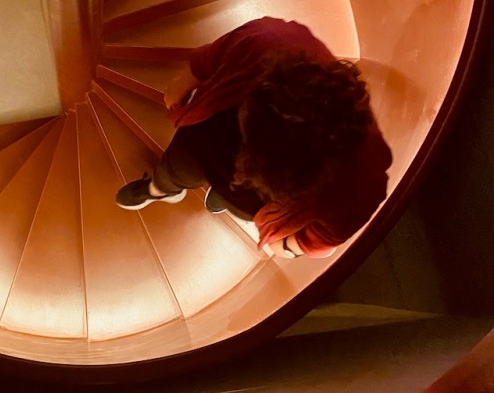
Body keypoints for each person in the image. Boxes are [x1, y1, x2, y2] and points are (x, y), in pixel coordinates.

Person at [115, 17, 392, 259]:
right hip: (208, 139)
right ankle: (161, 190)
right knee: (177, 168)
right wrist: (187, 80)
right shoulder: (268, 41)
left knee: (210, 182)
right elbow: (215, 55)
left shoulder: (361, 184)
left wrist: (286, 243)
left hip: (255, 196)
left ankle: (201, 193)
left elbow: (318, 241)